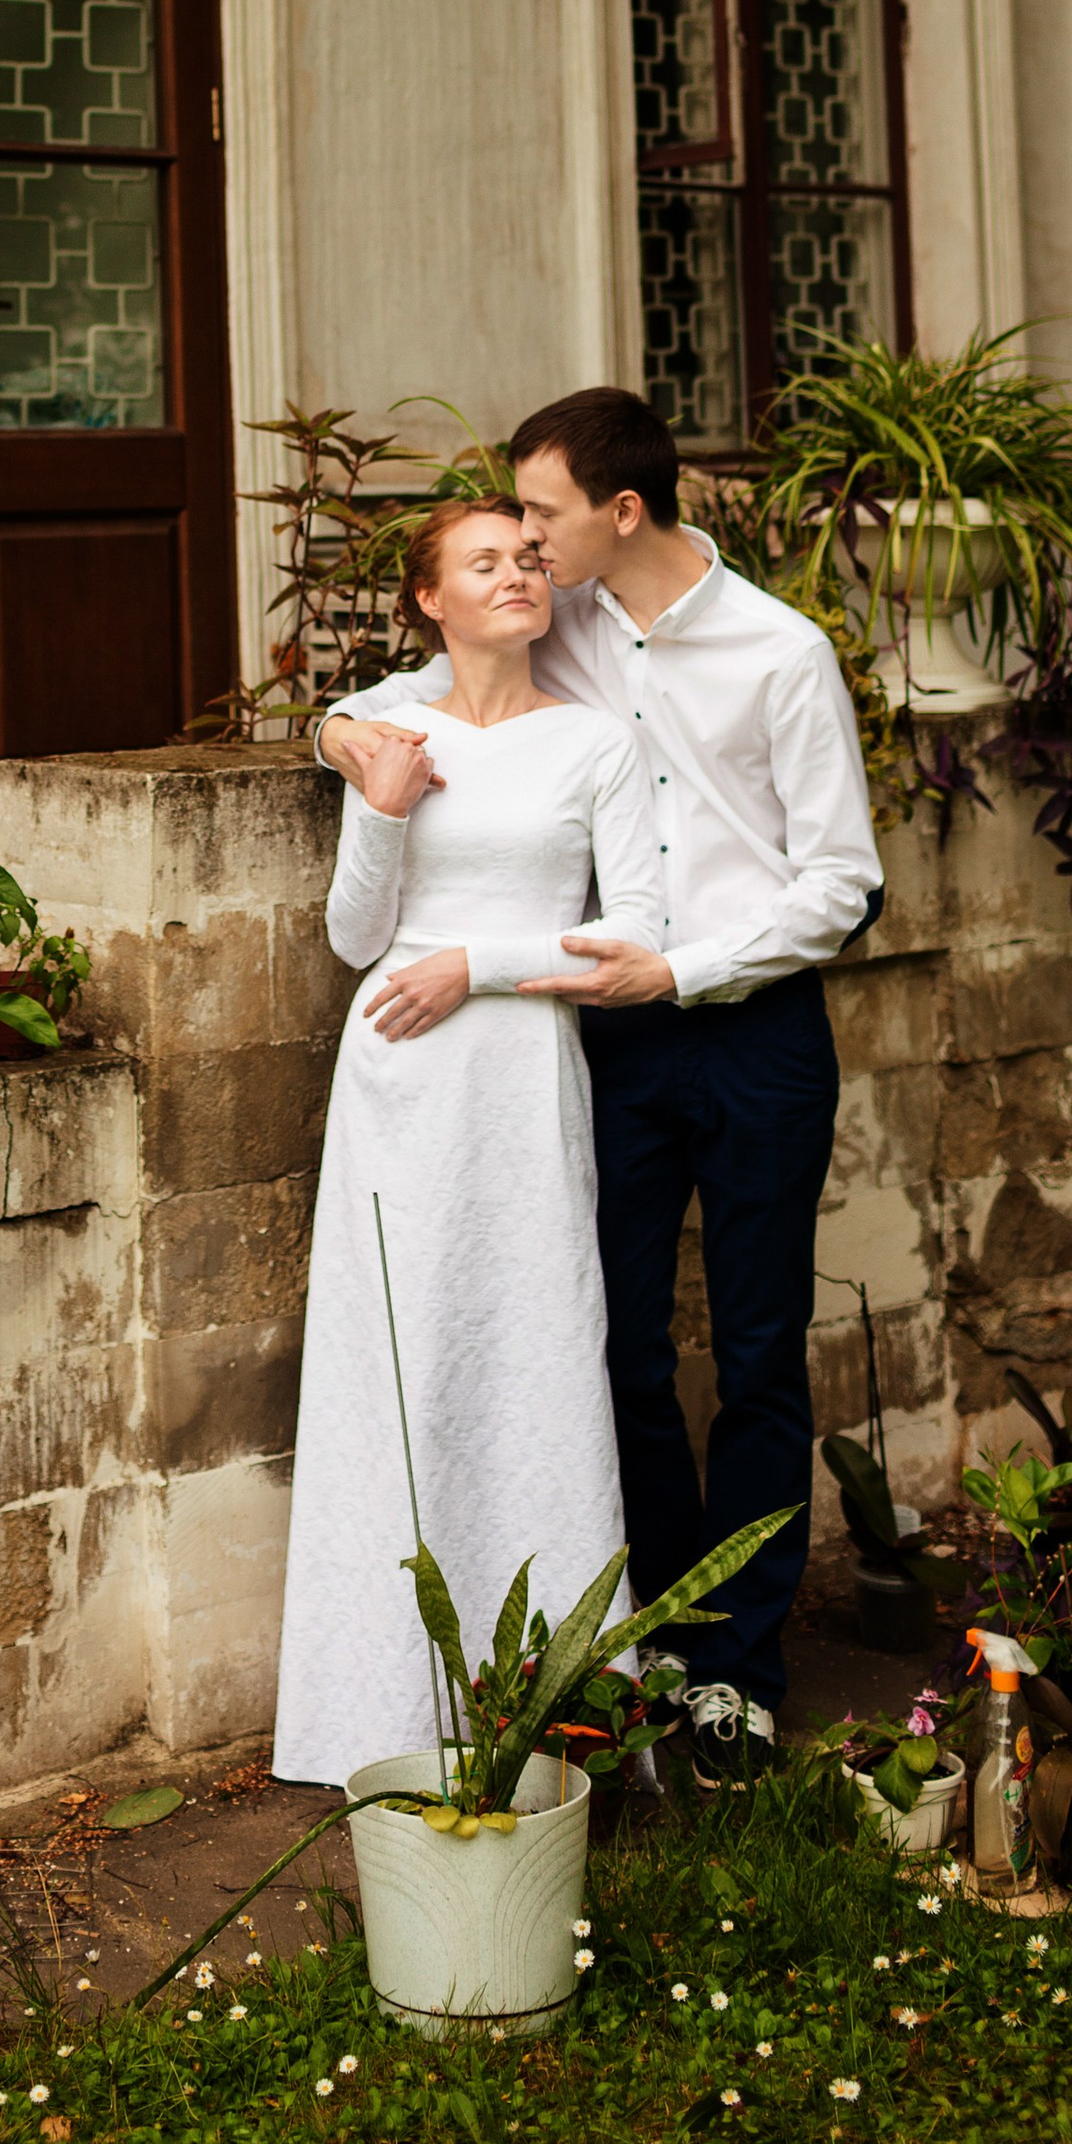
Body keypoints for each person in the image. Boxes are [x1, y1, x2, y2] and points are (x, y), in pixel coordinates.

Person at [318, 385, 880, 1786]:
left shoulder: (781, 654)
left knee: (754, 1358)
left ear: (619, 513)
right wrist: (343, 739)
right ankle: (653, 1645)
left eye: (546, 516)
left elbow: (843, 884)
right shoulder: (550, 613)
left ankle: (738, 1677)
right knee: (613, 1351)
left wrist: (678, 974)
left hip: (748, 1029)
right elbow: (402, 689)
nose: (527, 540)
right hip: (599, 1041)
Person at [271, 493, 665, 1789]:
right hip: (394, 1083)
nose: (517, 574)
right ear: (430, 599)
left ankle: (554, 1709)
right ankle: (375, 1716)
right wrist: (378, 796)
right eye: (483, 562)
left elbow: (631, 937)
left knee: (533, 1352)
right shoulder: (390, 730)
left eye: (527, 557)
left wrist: (472, 964)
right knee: (399, 1369)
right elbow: (350, 937)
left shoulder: (598, 745)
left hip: (516, 1073)